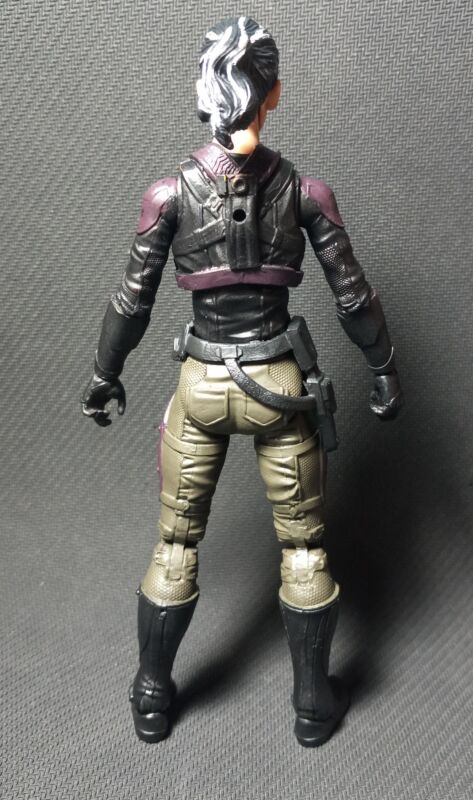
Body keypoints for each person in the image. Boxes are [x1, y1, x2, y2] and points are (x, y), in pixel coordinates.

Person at [82, 16, 402, 747]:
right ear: (275, 93)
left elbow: (131, 302)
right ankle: (312, 704)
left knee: (175, 545)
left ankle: (152, 694)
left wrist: (105, 374)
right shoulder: (305, 193)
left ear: (202, 95)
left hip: (200, 384)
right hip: (279, 386)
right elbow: (352, 295)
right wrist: (383, 368)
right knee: (304, 551)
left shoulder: (168, 195)